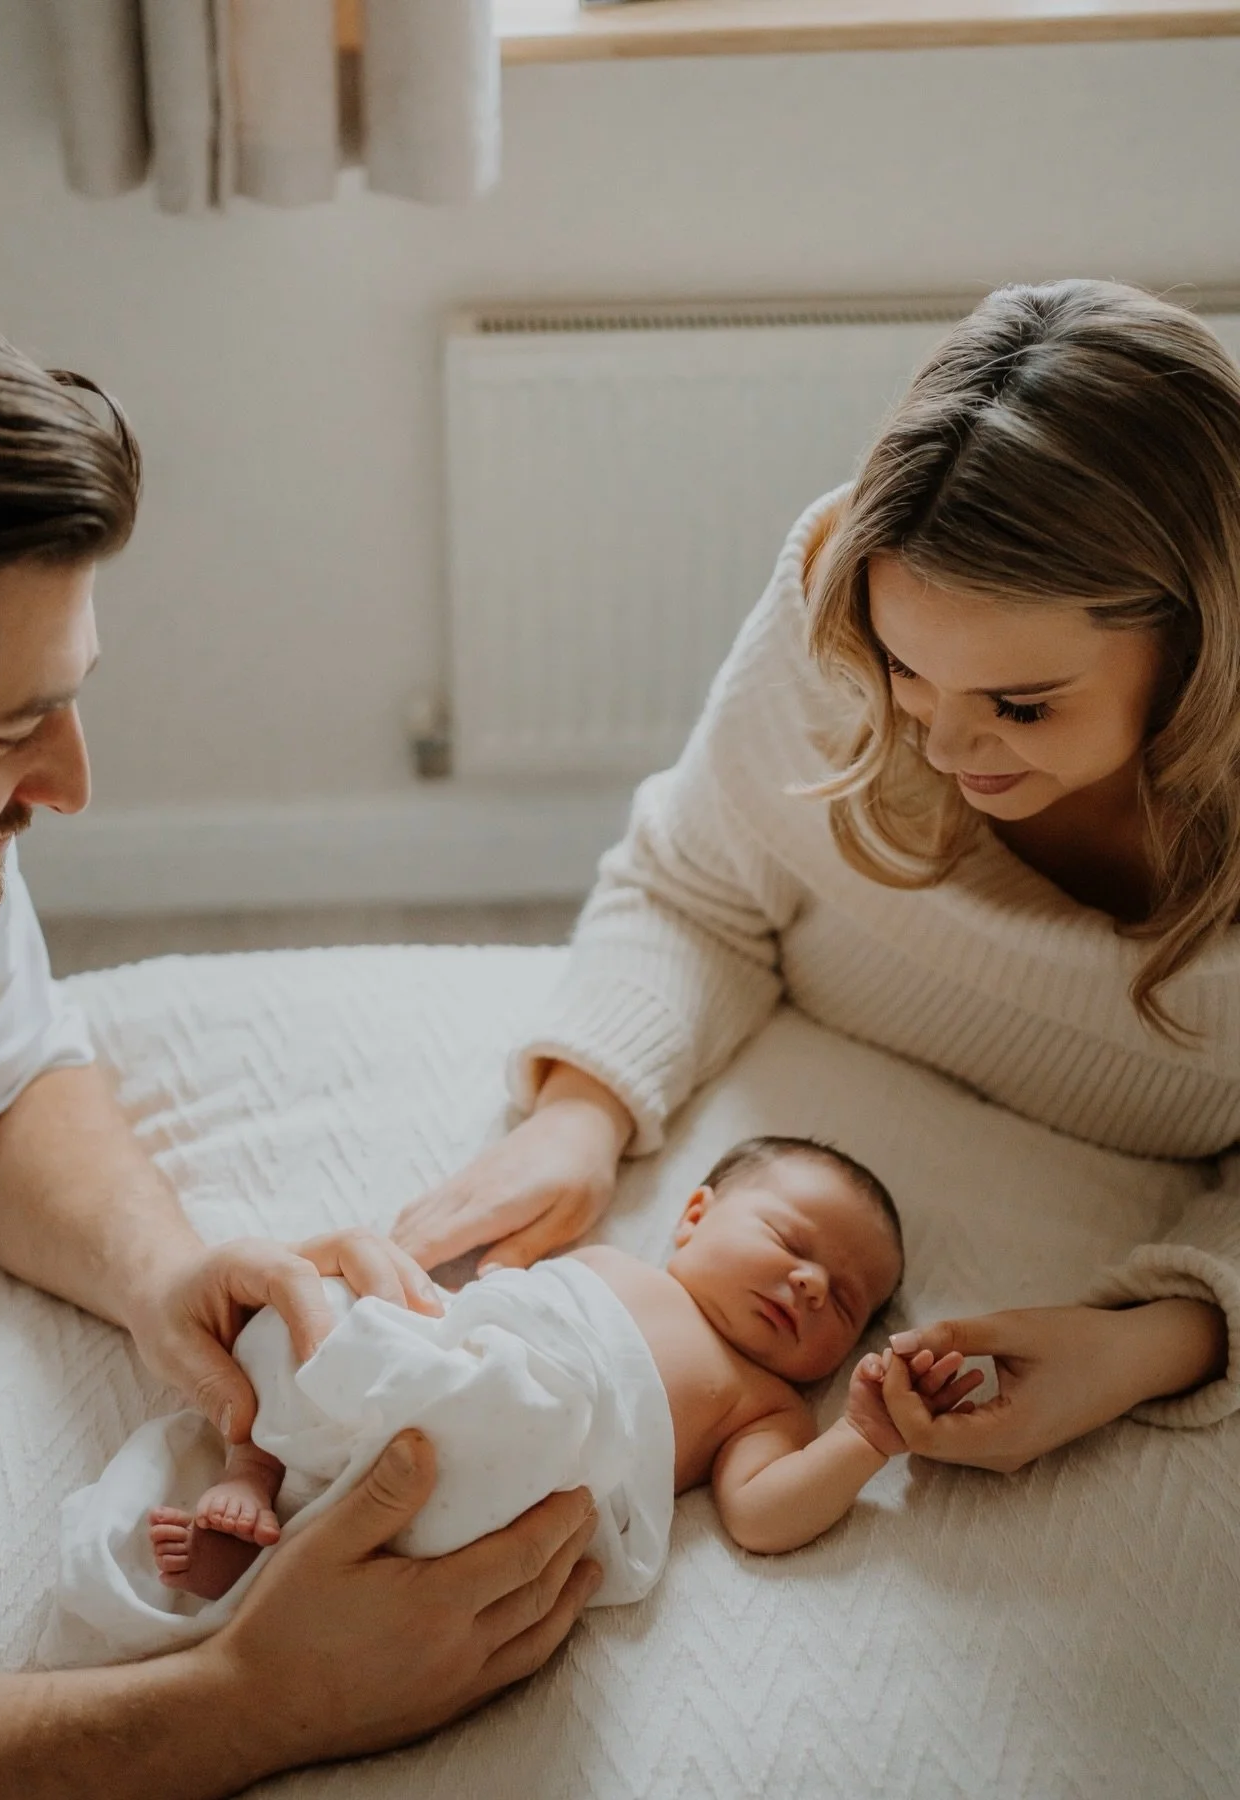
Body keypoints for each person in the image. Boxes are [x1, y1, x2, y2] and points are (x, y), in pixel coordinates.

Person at [0, 278, 599, 1800]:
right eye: (6, 729)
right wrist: (235, 1705)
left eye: (71, 702)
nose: (73, 786)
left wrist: (156, 1270)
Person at [395, 278, 1240, 1477]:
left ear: (1204, 646)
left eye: (1020, 705)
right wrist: (580, 1116)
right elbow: (696, 891)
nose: (943, 751)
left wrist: (1155, 1339)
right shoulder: (836, 603)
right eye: (905, 670)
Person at [120, 1137, 972, 1632]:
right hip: (463, 1360)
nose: (813, 1285)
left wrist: (862, 1439)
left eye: (845, 1300)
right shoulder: (609, 1260)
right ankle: (255, 1471)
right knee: (313, 1314)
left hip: (526, 1463)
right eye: (791, 1242)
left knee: (449, 1491)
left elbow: (760, 1512)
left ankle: (269, 1560)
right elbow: (484, 1297)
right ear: (695, 1217)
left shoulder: (768, 1403)